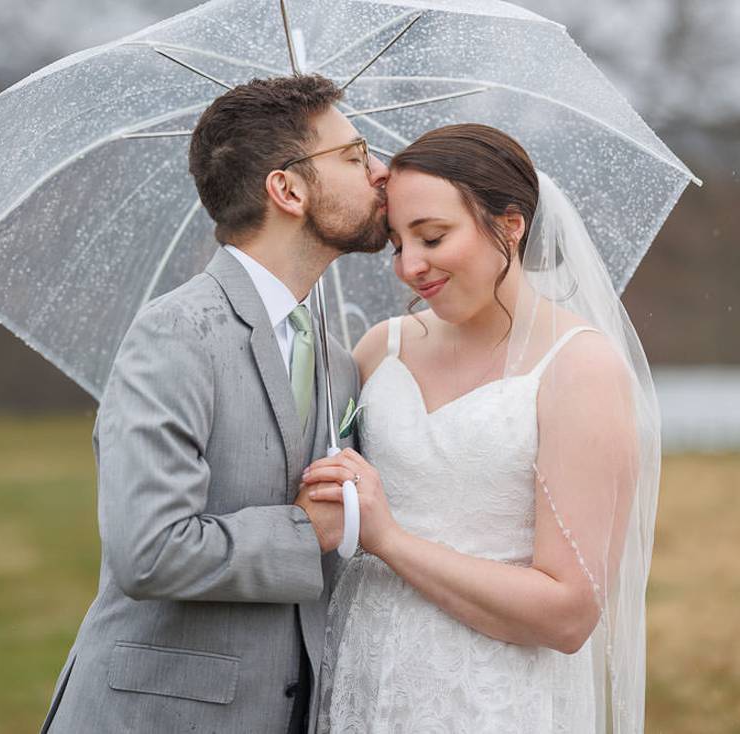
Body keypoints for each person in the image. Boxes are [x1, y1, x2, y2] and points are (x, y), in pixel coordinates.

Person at [41, 74, 389, 733]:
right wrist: (303, 530)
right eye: (353, 155)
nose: (381, 172)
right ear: (287, 189)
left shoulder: (341, 364)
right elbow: (148, 549)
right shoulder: (174, 333)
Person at [302, 124, 660, 733]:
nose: (409, 266)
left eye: (432, 236)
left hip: (492, 699)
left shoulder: (579, 367)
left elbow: (568, 615)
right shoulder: (378, 350)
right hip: (362, 676)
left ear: (510, 226)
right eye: (395, 242)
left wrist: (388, 539)